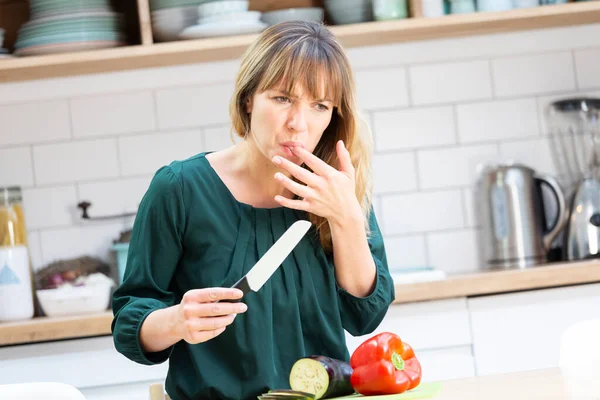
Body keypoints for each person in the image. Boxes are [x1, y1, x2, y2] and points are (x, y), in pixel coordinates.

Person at [111, 20, 396, 400]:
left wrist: (346, 218)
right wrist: (178, 320)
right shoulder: (179, 189)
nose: (298, 124)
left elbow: (365, 317)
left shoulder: (337, 191)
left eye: (319, 106)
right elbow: (130, 321)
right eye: (282, 98)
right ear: (248, 100)